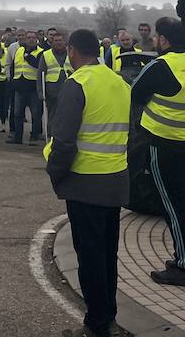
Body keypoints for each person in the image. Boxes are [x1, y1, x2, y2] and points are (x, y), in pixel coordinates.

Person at [44, 28, 130, 337]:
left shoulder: (77, 84)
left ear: (71, 51)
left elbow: (63, 142)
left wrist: (56, 175)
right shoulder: (119, 82)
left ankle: (97, 325)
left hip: (85, 182)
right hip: (115, 180)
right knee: (107, 255)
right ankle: (108, 316)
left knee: (90, 258)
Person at [129, 16, 185, 286]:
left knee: (173, 207)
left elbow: (134, 94)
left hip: (164, 145)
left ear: (163, 40)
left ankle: (184, 267)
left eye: (156, 37)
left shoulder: (160, 66)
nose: (155, 41)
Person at [7, 31, 43, 145]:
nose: (30, 40)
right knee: (17, 114)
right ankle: (18, 137)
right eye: (28, 38)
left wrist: (28, 57)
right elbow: (14, 66)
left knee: (35, 114)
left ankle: (34, 137)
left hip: (33, 87)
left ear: (37, 39)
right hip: (19, 87)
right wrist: (12, 80)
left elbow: (38, 65)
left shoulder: (41, 52)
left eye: (33, 38)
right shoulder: (19, 51)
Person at [39, 30, 70, 140]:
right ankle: (51, 139)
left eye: (60, 40)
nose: (58, 42)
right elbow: (40, 75)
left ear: (64, 41)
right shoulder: (46, 55)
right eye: (56, 40)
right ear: (52, 42)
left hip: (68, 90)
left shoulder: (71, 53)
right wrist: (40, 92)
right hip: (52, 91)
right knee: (52, 117)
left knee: (67, 117)